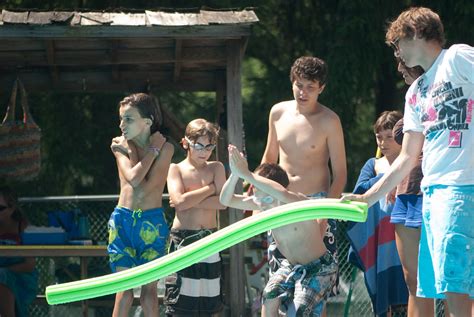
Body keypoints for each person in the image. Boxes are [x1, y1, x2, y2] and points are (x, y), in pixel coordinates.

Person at [344, 7, 473, 316]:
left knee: (456, 286)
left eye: (398, 42)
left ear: (415, 33)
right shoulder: (416, 92)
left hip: (461, 188)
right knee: (434, 284)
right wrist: (368, 197)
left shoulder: (456, 58)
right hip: (431, 195)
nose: (397, 51)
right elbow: (406, 157)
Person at [260, 56, 347, 300]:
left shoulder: (330, 121)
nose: (303, 92)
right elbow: (269, 159)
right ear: (292, 83)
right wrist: (256, 192)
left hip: (316, 204)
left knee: (317, 287)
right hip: (281, 203)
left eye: (310, 87)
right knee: (278, 284)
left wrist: (325, 216)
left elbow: (340, 174)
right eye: (299, 85)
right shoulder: (278, 113)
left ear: (321, 88)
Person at [221, 144, 337, 317]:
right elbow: (226, 200)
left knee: (299, 311)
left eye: (257, 185)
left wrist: (247, 174)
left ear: (270, 187)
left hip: (319, 267)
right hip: (290, 264)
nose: (253, 190)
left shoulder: (295, 201)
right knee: (270, 295)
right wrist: (235, 174)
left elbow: (281, 193)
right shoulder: (263, 203)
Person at [108, 93, 174, 317]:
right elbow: (135, 180)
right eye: (120, 119)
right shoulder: (119, 145)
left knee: (149, 293)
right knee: (123, 291)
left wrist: (151, 151)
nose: (121, 125)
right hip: (122, 221)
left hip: (151, 222)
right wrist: (150, 151)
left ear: (147, 122)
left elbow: (147, 188)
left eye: (128, 119)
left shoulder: (167, 149)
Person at [346, 111, 408, 316]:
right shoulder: (372, 165)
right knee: (382, 303)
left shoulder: (413, 163)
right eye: (379, 137)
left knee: (411, 290)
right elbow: (359, 193)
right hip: (379, 242)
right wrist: (387, 179)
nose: (383, 142)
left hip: (407, 237)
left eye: (389, 136)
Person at [164, 118, 226, 316]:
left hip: (210, 239)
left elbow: (223, 203)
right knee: (181, 302)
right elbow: (179, 203)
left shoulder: (216, 167)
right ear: (185, 143)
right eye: (198, 145)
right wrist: (211, 188)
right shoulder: (176, 169)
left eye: (209, 147)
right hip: (183, 239)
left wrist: (188, 200)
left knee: (210, 302)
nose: (204, 151)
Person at [391, 60, 436, 317]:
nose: (399, 69)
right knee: (414, 282)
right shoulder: (413, 99)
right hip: (408, 194)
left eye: (402, 62)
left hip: (443, 192)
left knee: (457, 281)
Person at [0, 185, 38, 317]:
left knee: (2, 275)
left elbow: (29, 264)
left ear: (12, 208)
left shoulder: (23, 227)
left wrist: (5, 270)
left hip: (22, 278)